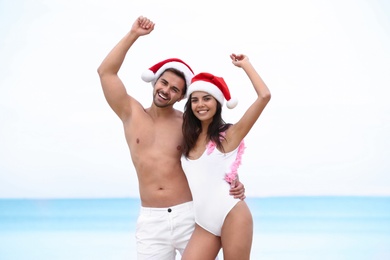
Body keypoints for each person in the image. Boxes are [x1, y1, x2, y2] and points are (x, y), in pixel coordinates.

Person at [97, 16, 246, 259]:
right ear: (155, 82)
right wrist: (133, 34)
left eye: (175, 89)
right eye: (163, 83)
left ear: (181, 97)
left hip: (188, 214)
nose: (166, 91)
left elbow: (218, 152)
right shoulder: (130, 113)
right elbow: (106, 73)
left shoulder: (188, 125)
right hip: (151, 221)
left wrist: (235, 180)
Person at [181, 53, 271, 259]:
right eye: (194, 100)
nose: (200, 104)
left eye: (207, 98)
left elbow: (264, 96)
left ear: (217, 103)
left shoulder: (230, 135)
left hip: (233, 214)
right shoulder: (188, 137)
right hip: (204, 223)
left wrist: (246, 65)